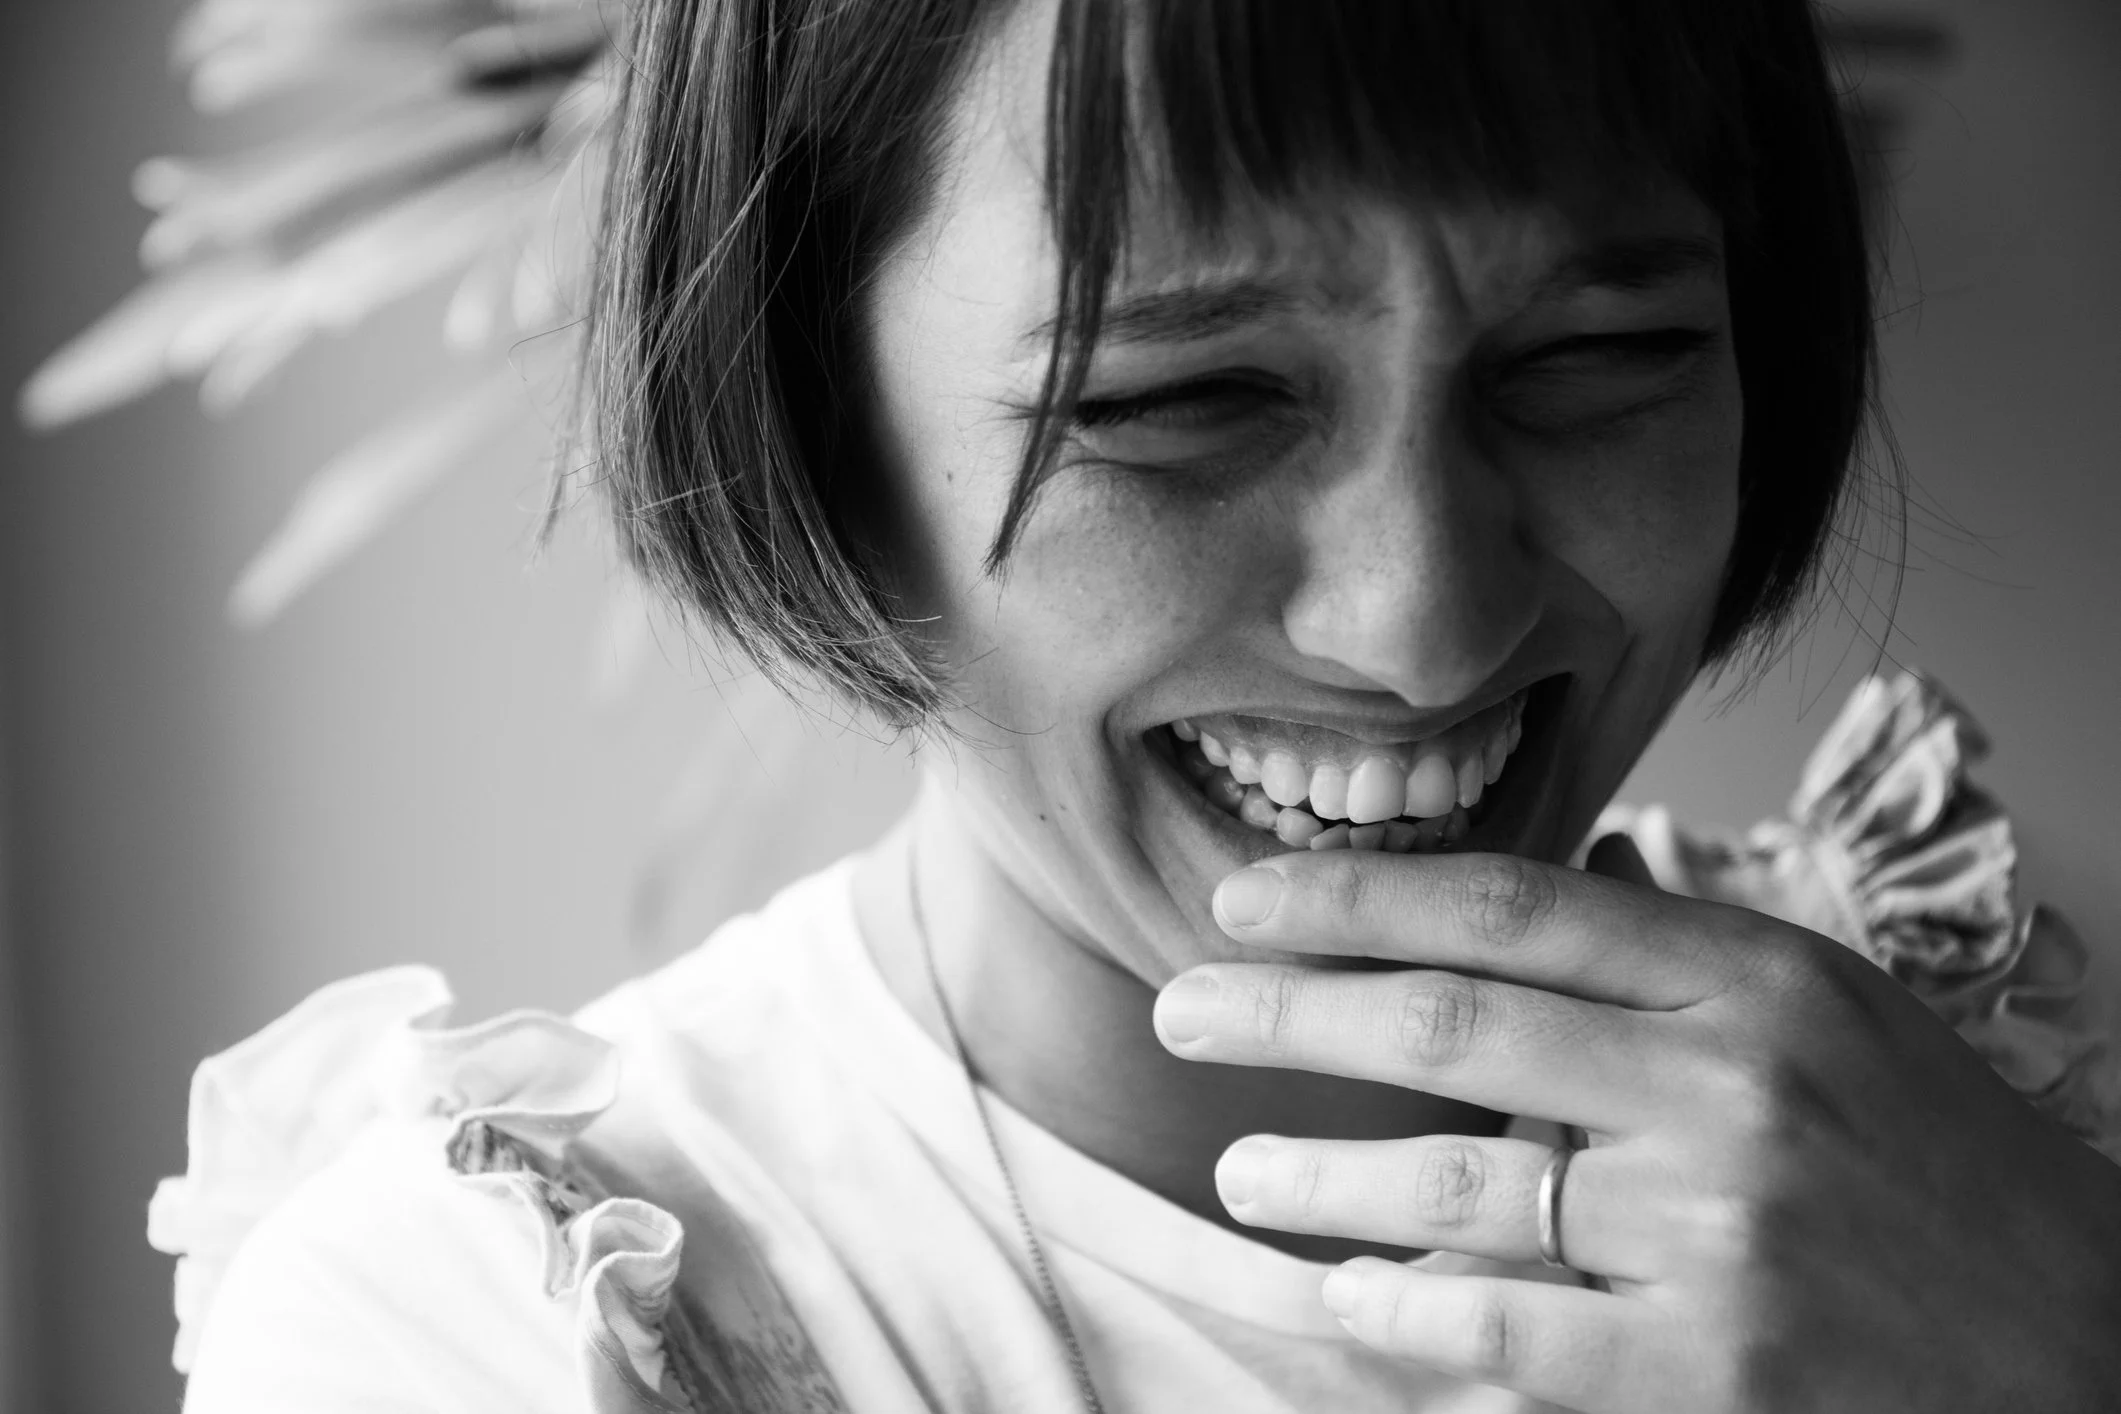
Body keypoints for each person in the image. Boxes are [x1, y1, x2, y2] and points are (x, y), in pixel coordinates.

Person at [145, 1, 2121, 1410]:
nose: (1423, 621)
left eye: (1597, 358)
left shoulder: (1987, 1118)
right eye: (1180, 401)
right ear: (812, 425)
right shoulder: (488, 1330)